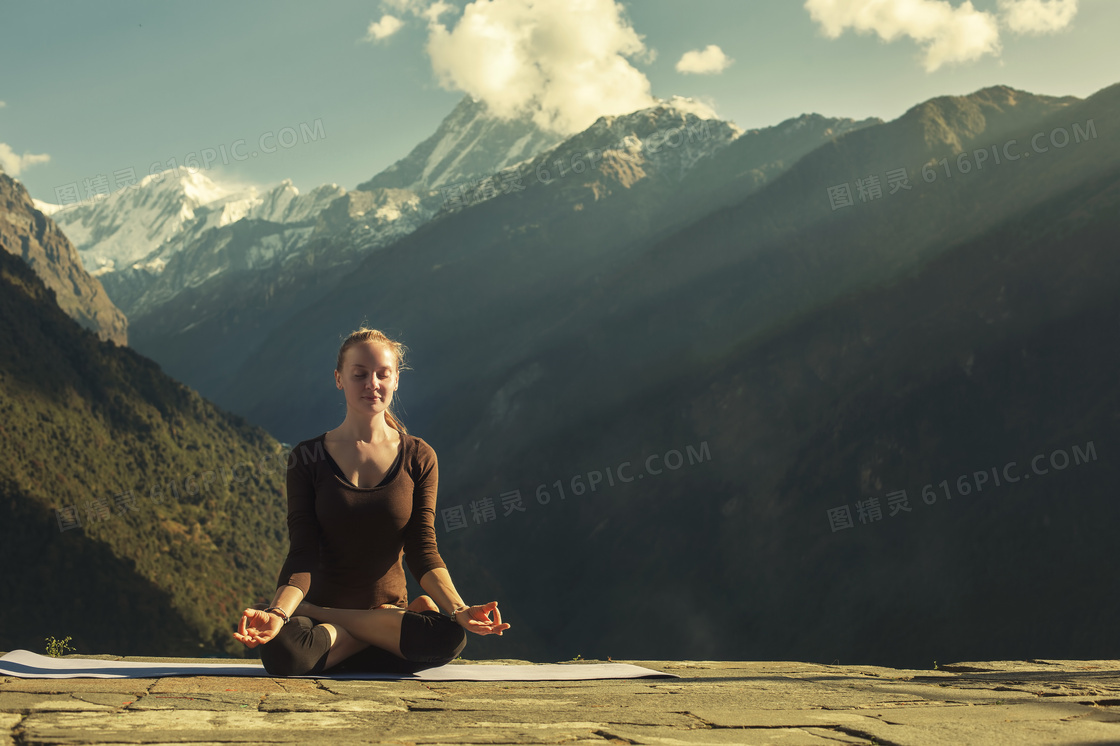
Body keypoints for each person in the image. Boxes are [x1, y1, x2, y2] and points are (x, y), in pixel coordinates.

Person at [233, 327, 510, 675]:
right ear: (339, 379)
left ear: (396, 381)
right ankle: (382, 631)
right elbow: (302, 551)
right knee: (284, 654)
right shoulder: (308, 457)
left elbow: (422, 548)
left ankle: (342, 628)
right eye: (359, 374)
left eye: (383, 374)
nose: (372, 384)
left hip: (341, 615)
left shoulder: (418, 456)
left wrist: (458, 609)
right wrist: (278, 614)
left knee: (449, 637)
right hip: (374, 625)